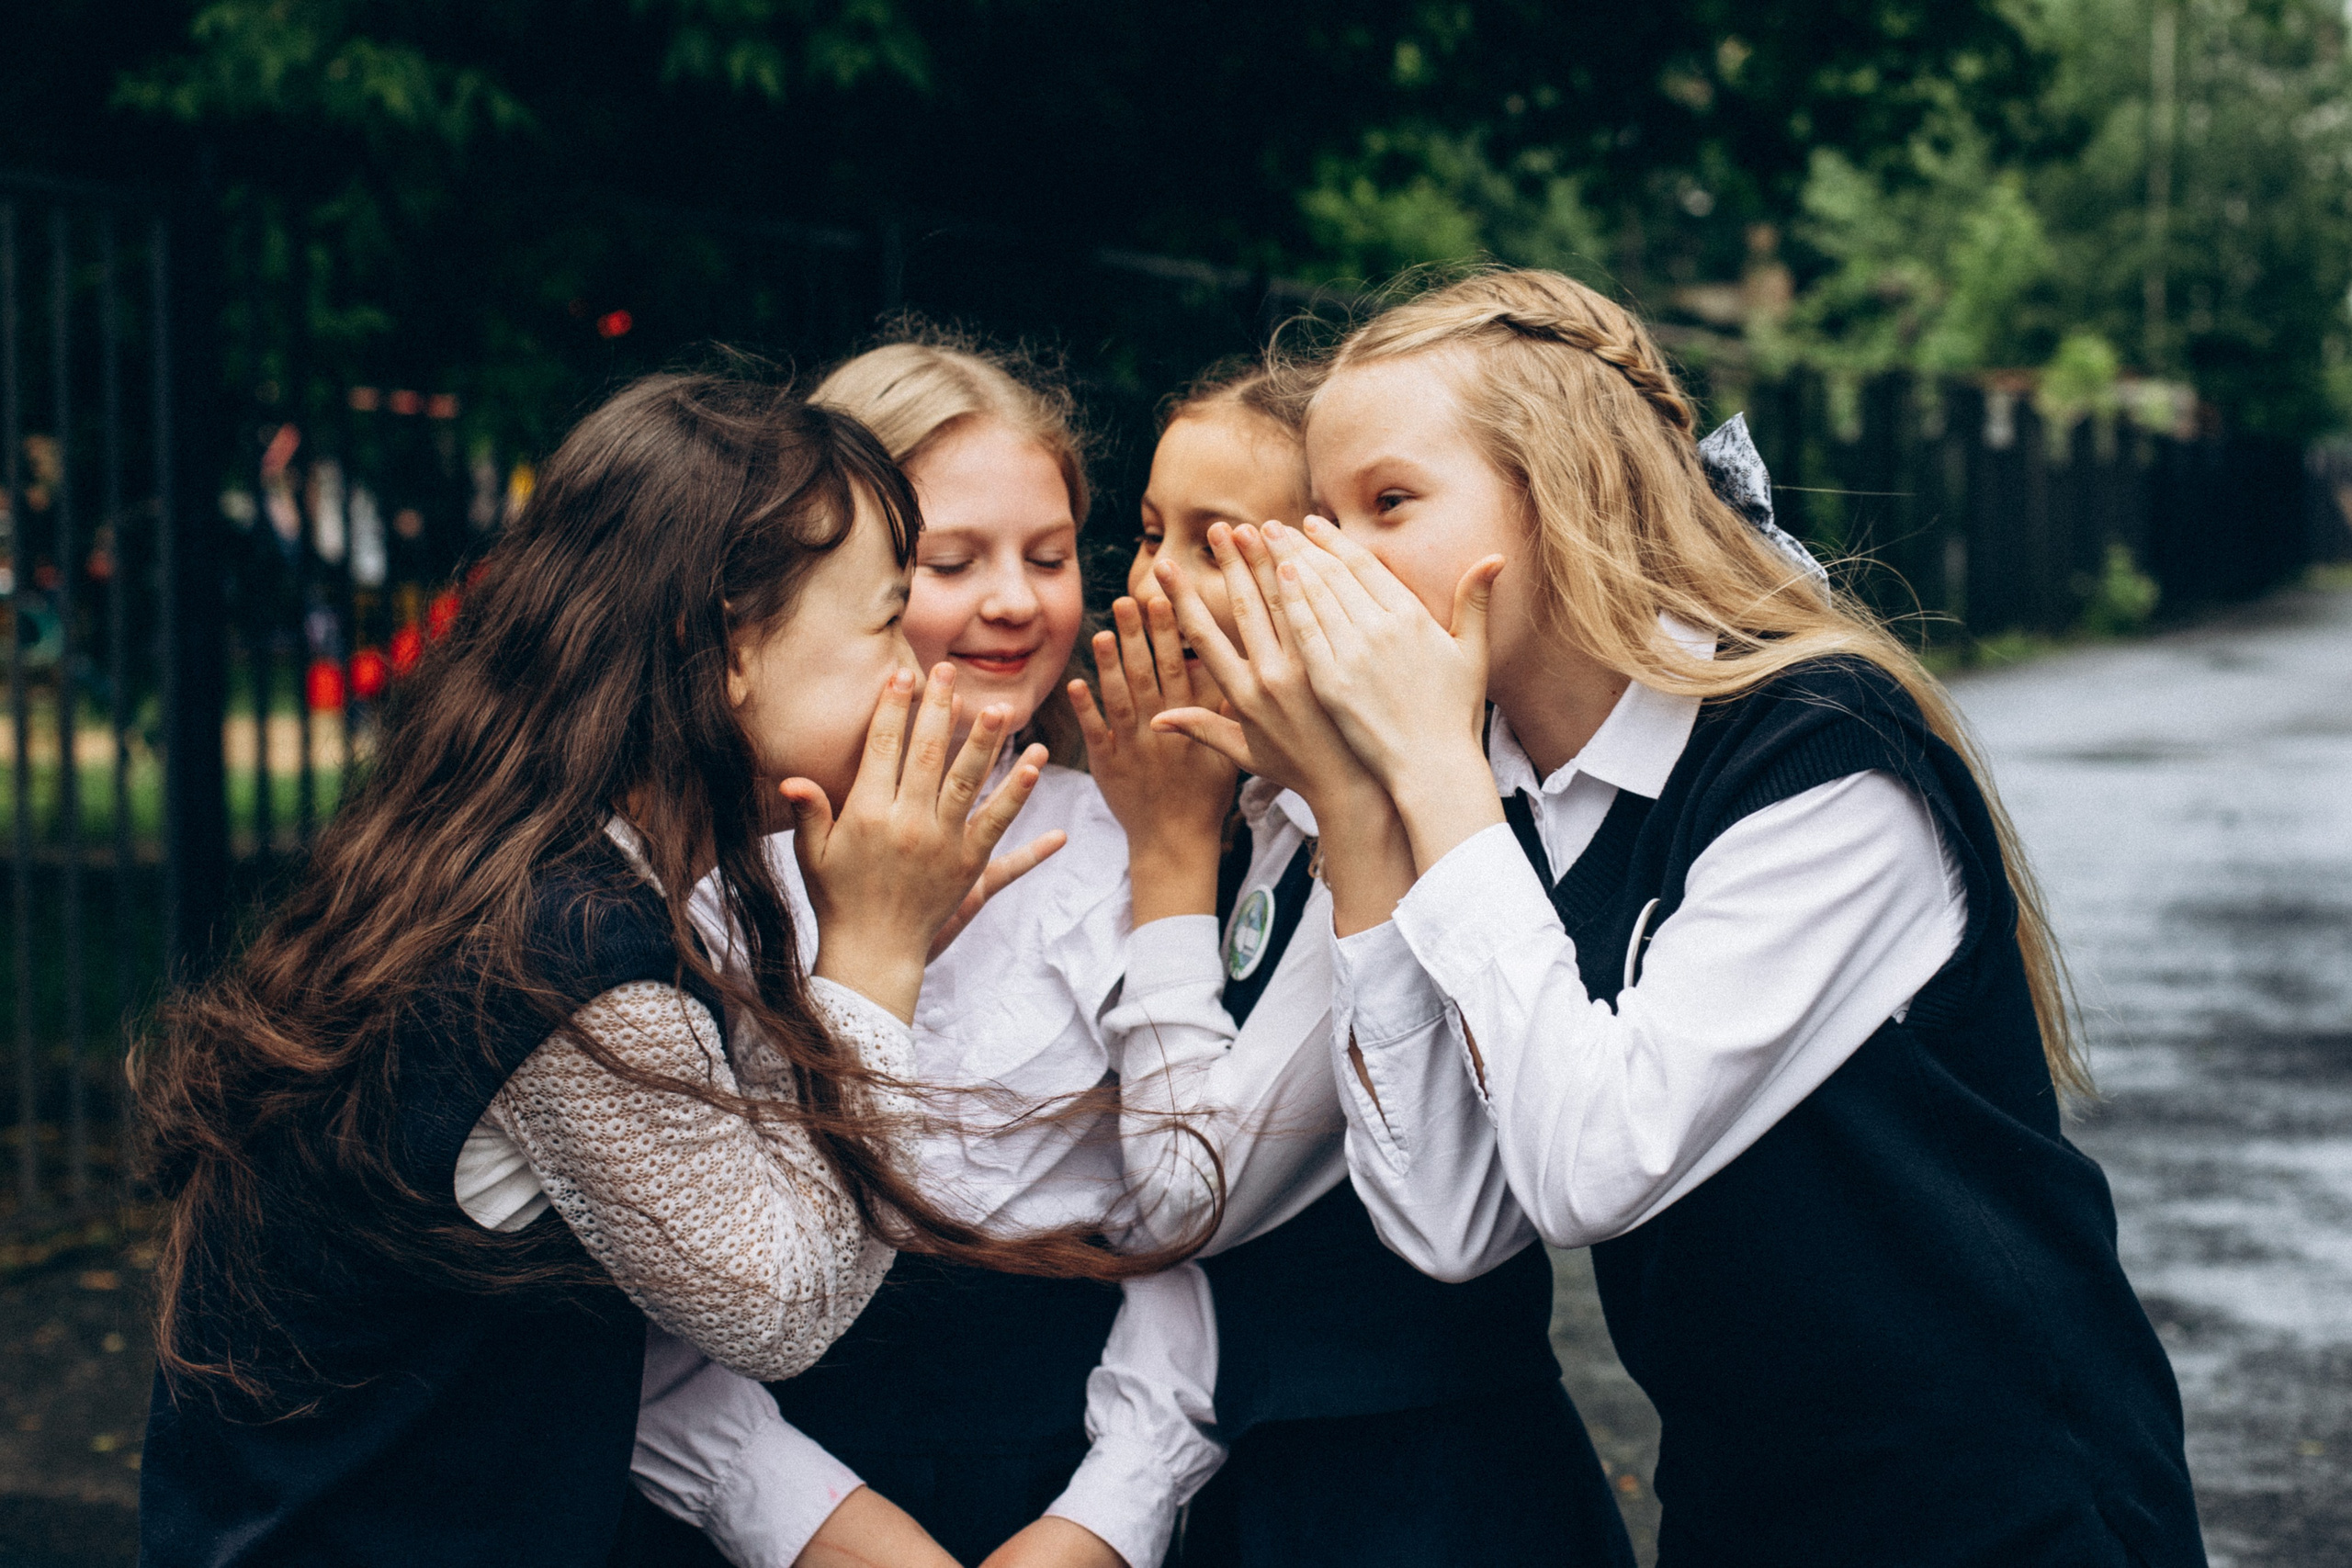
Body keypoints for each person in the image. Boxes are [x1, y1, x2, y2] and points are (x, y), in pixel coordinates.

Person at [1152, 267, 2208, 1568]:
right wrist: (1369, 827)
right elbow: (1452, 1223)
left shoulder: (1819, 760)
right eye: (1322, 516)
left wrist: (1427, 777)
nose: (1333, 561)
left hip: (1998, 1506)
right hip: (1744, 1507)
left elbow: (1594, 1162)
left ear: (1564, 500)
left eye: (1390, 505)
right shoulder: (1499, 791)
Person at [133, 376, 1120, 1567]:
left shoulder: (524, 864)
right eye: (885, 617)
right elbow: (781, 1305)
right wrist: (877, 954)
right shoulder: (564, 965)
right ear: (726, 649)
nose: (910, 670)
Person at [631, 335, 1225, 1568]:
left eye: (1050, 557)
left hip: (1065, 1461)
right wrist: (802, 1526)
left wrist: (1106, 1519)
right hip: (781, 1468)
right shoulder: (708, 873)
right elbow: (645, 1277)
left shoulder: (1140, 845)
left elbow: (1197, 1230)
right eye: (948, 563)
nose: (1014, 599)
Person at [1085, 361, 1634, 1568]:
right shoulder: (1242, 798)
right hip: (1256, 1473)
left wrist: (1170, 862)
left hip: (1415, 1492)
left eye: (1214, 542)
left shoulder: (1412, 819)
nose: (1153, 579)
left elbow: (1188, 1194)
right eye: (1148, 531)